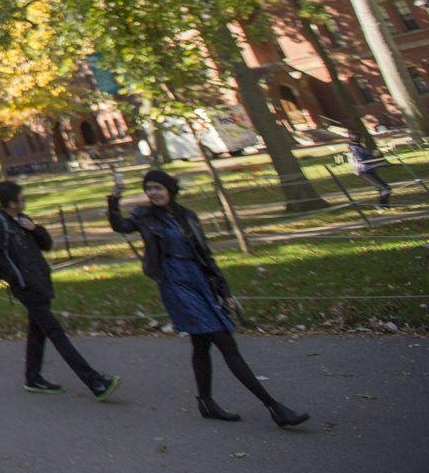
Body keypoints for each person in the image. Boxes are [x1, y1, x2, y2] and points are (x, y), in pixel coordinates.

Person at [108, 168, 309, 427]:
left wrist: (224, 291)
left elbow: (206, 255)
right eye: (149, 189)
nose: (153, 193)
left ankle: (206, 402)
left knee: (201, 344)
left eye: (158, 188)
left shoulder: (187, 217)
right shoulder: (144, 216)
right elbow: (120, 226)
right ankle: (274, 407)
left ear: (170, 190)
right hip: (174, 282)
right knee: (224, 342)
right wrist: (114, 198)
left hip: (199, 279)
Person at [0, 181, 120, 399]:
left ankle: (33, 377)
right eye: (21, 199)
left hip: (40, 282)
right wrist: (16, 278)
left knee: (38, 331)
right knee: (55, 332)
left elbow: (46, 244)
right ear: (10, 203)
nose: (24, 202)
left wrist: (34, 229)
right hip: (26, 286)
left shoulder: (23, 220)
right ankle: (95, 381)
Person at [346, 134, 393, 206]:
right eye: (362, 138)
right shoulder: (355, 149)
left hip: (370, 170)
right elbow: (362, 161)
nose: (363, 139)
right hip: (365, 171)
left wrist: (378, 159)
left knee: (382, 189)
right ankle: (382, 206)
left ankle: (384, 206)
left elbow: (367, 158)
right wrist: (374, 155)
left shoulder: (359, 147)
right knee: (386, 189)